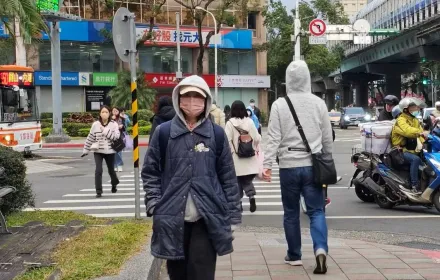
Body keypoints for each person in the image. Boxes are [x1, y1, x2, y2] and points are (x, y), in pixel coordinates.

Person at [142, 75, 241, 280]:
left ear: (206, 101)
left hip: (206, 219)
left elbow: (228, 177)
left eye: (198, 96)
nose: (192, 100)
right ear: (178, 98)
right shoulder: (164, 132)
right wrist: (154, 203)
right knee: (178, 274)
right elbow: (150, 172)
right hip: (171, 219)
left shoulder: (216, 134)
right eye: (187, 95)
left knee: (201, 273)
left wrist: (232, 215)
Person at [263, 60, 332, 274]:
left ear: (288, 80)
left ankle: (294, 255)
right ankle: (320, 249)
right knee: (316, 211)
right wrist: (327, 159)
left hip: (288, 167)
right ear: (308, 79)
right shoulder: (318, 103)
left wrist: (266, 165)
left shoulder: (279, 105)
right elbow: (327, 137)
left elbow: (273, 137)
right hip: (313, 165)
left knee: (291, 213)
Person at [225, 100, 261, 213]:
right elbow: (257, 138)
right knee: (247, 180)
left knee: (236, 182)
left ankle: (239, 203)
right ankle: (251, 197)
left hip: (235, 158)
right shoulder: (249, 122)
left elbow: (226, 140)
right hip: (249, 157)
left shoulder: (230, 123)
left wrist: (231, 152)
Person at [82, 105, 120, 198]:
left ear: (109, 113)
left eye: (106, 112)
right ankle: (98, 191)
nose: (104, 114)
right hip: (98, 150)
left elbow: (116, 137)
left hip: (110, 151)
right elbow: (90, 137)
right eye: (102, 112)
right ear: (100, 113)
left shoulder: (113, 124)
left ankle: (114, 184)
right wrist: (86, 150)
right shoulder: (95, 124)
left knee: (111, 171)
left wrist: (105, 131)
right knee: (98, 170)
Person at [391, 98, 426, 194]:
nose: (416, 109)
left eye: (416, 107)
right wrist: (420, 133)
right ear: (406, 109)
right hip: (400, 150)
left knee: (427, 162)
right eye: (414, 107)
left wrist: (426, 139)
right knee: (416, 160)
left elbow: (421, 133)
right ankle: (414, 185)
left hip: (413, 149)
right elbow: (408, 131)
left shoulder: (415, 120)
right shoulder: (400, 120)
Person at [112, 107, 125, 172]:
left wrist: (122, 126)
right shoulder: (110, 119)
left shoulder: (122, 118)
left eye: (116, 111)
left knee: (119, 152)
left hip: (120, 137)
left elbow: (125, 128)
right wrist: (113, 120)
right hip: (112, 137)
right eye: (113, 111)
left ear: (118, 112)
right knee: (113, 152)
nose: (114, 112)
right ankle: (114, 166)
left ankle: (119, 165)